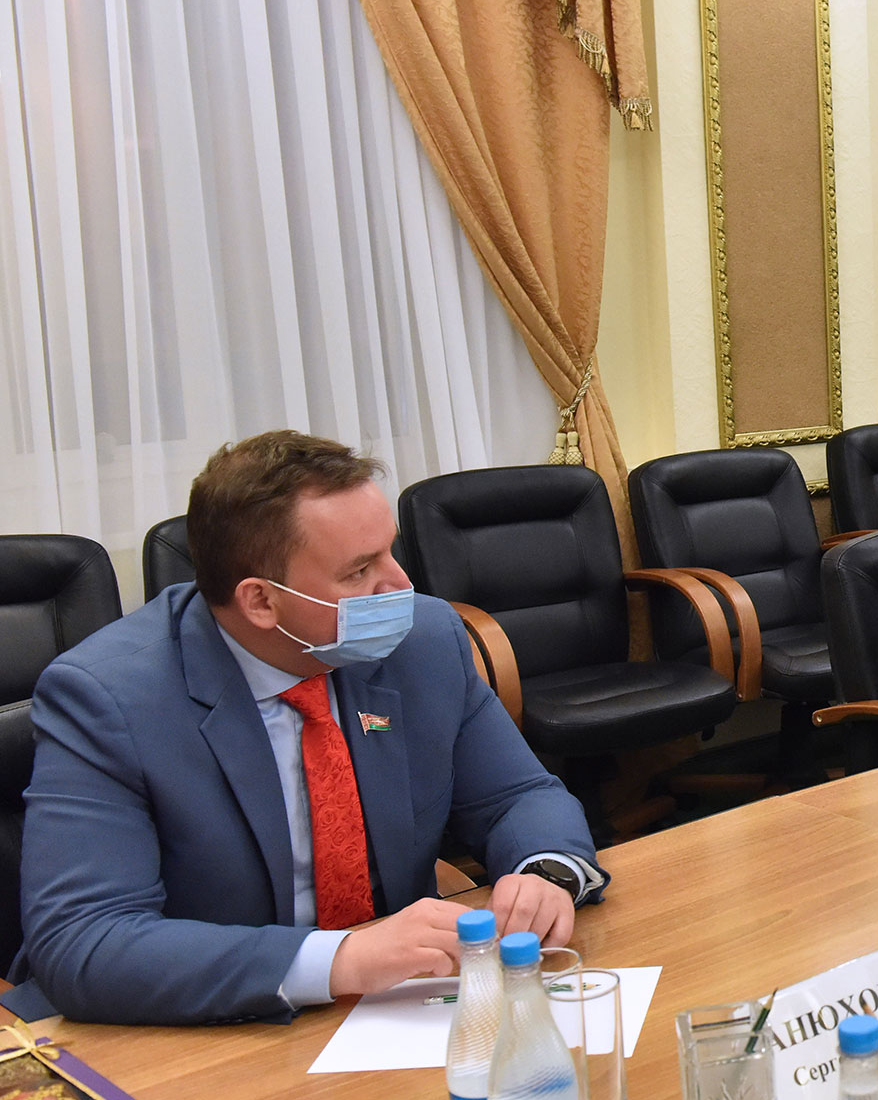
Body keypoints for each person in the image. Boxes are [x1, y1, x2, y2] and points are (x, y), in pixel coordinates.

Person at [7, 432, 607, 1026]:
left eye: (390, 551)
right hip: (202, 1029)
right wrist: (340, 959)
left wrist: (545, 870)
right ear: (260, 601)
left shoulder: (422, 640)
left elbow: (517, 796)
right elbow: (86, 940)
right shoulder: (107, 698)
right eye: (360, 570)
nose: (401, 585)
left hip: (398, 1012)